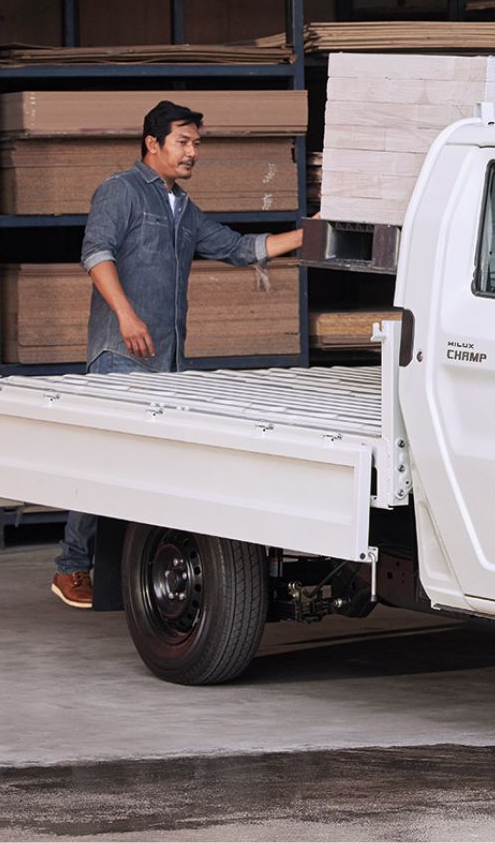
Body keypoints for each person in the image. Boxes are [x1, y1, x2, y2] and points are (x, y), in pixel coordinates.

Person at [50, 100, 304, 609]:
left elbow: (240, 249)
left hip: (167, 361)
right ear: (153, 144)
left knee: (144, 467)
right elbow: (95, 253)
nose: (192, 153)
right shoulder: (119, 191)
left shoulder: (184, 208)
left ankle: (123, 570)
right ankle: (71, 566)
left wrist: (310, 232)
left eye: (197, 144)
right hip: (119, 353)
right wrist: (125, 315)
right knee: (102, 461)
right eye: (183, 142)